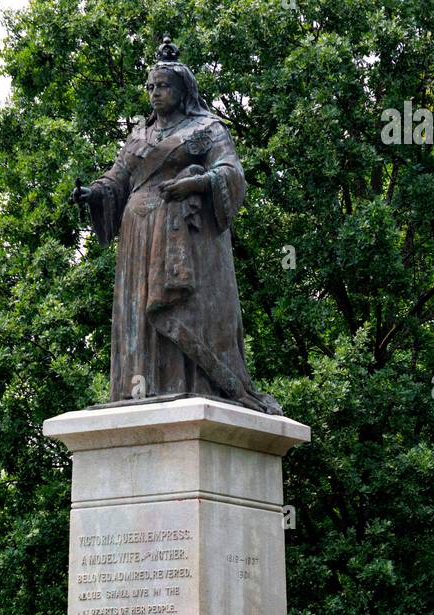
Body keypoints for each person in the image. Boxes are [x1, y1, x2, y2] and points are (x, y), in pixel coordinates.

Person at [72, 38, 282, 415]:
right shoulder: (138, 136)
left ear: (181, 89)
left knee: (188, 311)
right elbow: (118, 179)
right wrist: (94, 193)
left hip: (187, 234)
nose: (154, 93)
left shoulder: (208, 128)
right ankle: (141, 390)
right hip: (138, 233)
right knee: (139, 318)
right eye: (150, 87)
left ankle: (195, 384)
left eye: (163, 86)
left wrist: (198, 183)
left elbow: (232, 173)